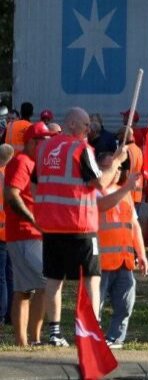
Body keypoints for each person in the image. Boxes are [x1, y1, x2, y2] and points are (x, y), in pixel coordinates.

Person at [35, 107, 128, 347]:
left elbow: (36, 184)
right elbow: (101, 182)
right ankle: (91, 330)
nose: (90, 130)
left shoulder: (44, 148)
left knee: (54, 280)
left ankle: (55, 333)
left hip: (52, 225)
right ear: (74, 125)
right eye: (87, 125)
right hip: (80, 225)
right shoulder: (81, 150)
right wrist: (116, 161)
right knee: (91, 278)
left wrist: (45, 208)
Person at [5, 124, 55, 347]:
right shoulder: (21, 162)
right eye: (45, 141)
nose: (48, 145)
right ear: (34, 142)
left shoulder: (35, 163)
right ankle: (30, 340)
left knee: (25, 290)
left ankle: (27, 341)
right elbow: (11, 195)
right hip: (25, 234)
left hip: (31, 235)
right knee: (46, 282)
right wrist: (33, 219)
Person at [96, 152, 148, 349]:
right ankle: (93, 337)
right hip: (101, 261)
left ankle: (116, 338)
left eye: (118, 168)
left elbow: (134, 225)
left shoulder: (124, 192)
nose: (117, 172)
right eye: (111, 167)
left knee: (125, 303)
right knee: (96, 305)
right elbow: (101, 206)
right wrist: (127, 187)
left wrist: (141, 254)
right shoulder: (95, 191)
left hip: (124, 261)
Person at [0, 144, 14, 331]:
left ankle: (1, 314)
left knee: (1, 276)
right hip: (11, 232)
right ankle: (11, 313)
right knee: (11, 275)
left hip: (1, 232)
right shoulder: (11, 176)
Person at [117, 127, 144, 208]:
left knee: (125, 220)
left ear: (123, 135)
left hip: (126, 193)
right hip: (137, 192)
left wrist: (117, 186)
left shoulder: (125, 150)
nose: (118, 138)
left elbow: (125, 173)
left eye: (118, 135)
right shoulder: (138, 150)